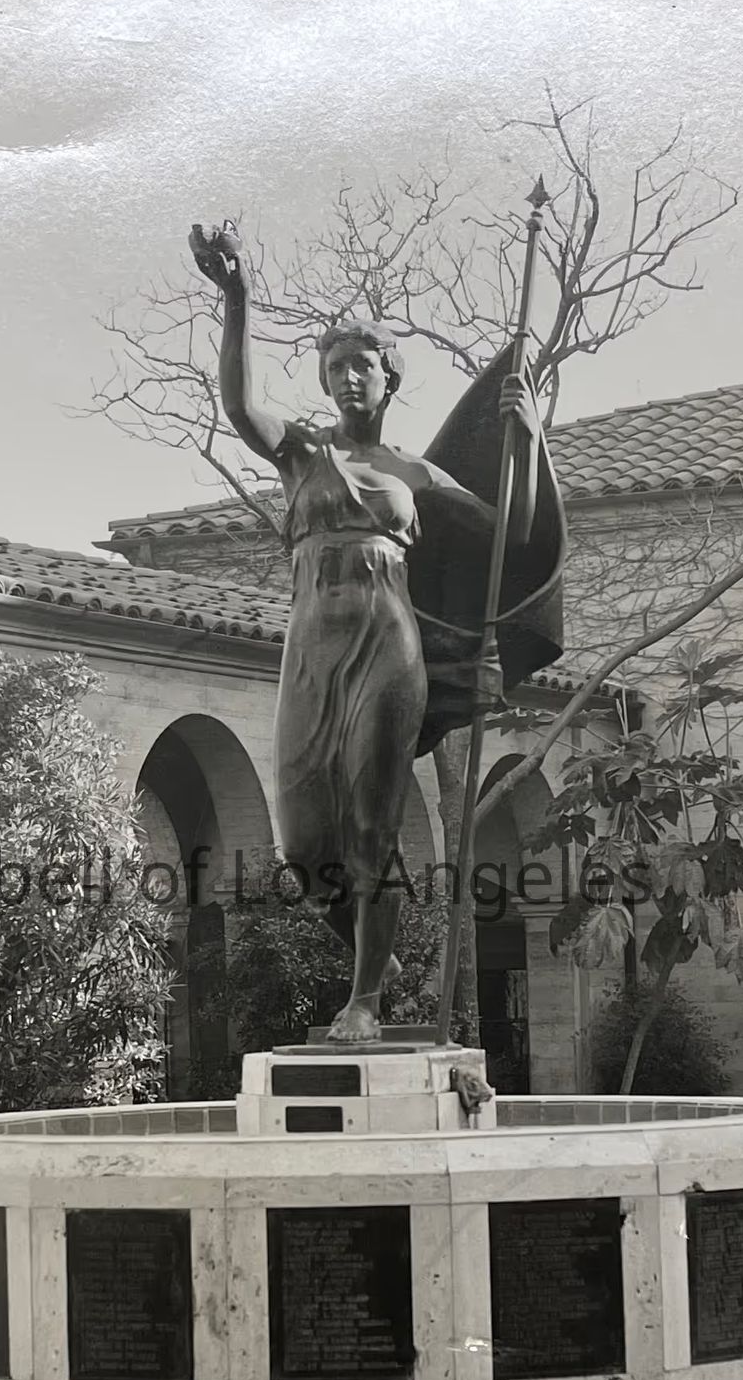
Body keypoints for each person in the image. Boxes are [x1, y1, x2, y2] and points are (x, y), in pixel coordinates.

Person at [188, 221, 564, 1042]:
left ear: (388, 377)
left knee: (370, 827)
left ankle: (363, 1001)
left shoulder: (414, 474)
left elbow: (513, 539)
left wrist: (530, 440)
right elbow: (239, 406)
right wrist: (237, 299)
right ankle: (376, 955)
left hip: (390, 649)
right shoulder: (301, 454)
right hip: (310, 650)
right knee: (301, 844)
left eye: (362, 365)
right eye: (336, 368)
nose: (348, 378)